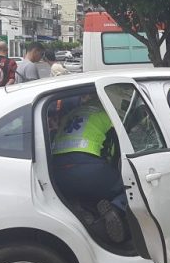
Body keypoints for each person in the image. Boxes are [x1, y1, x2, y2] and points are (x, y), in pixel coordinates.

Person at [51, 94, 126, 241]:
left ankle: (80, 208)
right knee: (129, 186)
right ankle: (116, 208)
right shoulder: (107, 115)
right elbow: (117, 149)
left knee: (83, 187)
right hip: (87, 168)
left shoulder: (71, 114)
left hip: (57, 173)